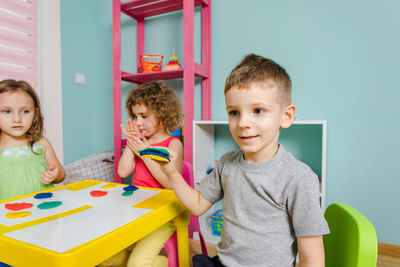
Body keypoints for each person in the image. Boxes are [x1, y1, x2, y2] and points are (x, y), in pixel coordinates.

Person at [153, 54, 330, 267]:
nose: (243, 122)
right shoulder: (227, 163)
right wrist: (172, 174)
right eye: (234, 112)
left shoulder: (299, 178)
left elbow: (312, 258)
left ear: (286, 116)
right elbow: (198, 206)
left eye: (258, 111)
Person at [100, 81, 183, 267]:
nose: (138, 122)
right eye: (135, 116)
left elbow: (171, 184)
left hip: (162, 214)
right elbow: (123, 171)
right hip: (136, 209)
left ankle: (164, 263)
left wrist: (145, 154)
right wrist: (132, 144)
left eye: (144, 116)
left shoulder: (173, 144)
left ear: (162, 113)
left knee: (137, 265)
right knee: (102, 257)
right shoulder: (139, 141)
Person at [0, 79, 65, 201]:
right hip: (7, 215)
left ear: (35, 114)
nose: (17, 119)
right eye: (7, 111)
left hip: (43, 208)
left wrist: (54, 175)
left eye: (25, 111)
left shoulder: (41, 143)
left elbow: (61, 174)